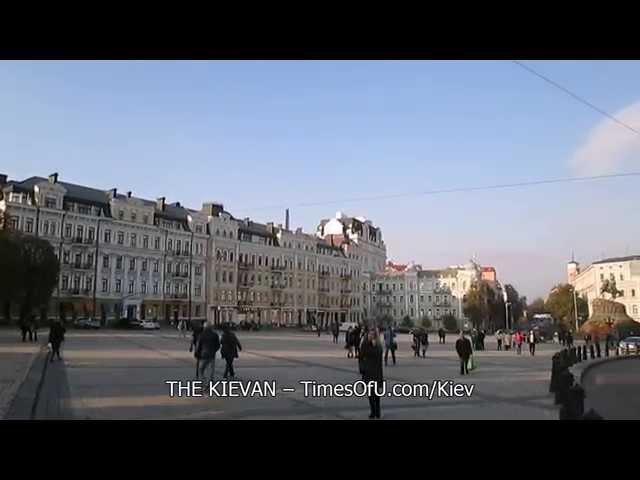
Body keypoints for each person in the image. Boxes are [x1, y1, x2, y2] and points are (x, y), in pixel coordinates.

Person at [359, 328, 383, 419]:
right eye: (369, 334)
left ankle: (378, 411)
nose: (371, 336)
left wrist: (374, 346)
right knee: (370, 394)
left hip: (376, 372)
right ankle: (373, 411)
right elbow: (361, 357)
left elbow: (379, 356)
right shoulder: (364, 344)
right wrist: (362, 369)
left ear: (375, 336)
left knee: (376, 394)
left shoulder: (378, 345)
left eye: (373, 335)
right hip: (367, 372)